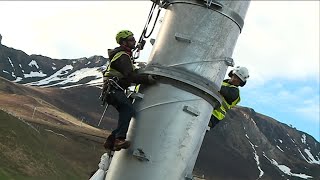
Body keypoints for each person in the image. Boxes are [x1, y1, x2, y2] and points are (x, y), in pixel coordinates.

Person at [101, 30, 156, 151]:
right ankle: (118, 140)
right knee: (127, 109)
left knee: (127, 111)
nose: (134, 41)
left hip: (113, 90)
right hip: (114, 89)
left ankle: (111, 140)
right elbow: (129, 76)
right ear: (123, 42)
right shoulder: (122, 56)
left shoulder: (123, 55)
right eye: (131, 40)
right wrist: (147, 79)